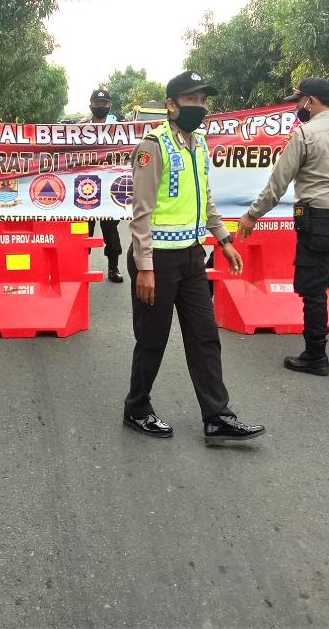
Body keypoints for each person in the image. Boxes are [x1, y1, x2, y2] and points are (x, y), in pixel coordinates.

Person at [127, 70, 266, 445]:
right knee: (152, 339)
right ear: (171, 105)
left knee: (205, 336)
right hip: (156, 260)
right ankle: (137, 408)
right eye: (191, 100)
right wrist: (144, 267)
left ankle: (218, 416)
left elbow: (205, 200)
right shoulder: (153, 146)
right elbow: (141, 213)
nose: (199, 107)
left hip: (191, 257)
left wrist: (223, 240)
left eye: (203, 100)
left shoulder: (200, 144)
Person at [238, 78, 329, 376]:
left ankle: (315, 354)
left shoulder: (304, 134)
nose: (297, 107)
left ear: (312, 101)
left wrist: (253, 215)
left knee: (313, 287)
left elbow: (278, 184)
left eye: (299, 101)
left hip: (317, 219)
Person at [82, 88, 123, 283]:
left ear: (110, 105)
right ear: (90, 105)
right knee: (83, 232)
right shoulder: (79, 129)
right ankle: (81, 268)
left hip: (109, 190)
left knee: (111, 231)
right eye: (97, 104)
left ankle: (113, 268)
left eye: (104, 104)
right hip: (83, 187)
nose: (100, 107)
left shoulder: (121, 129)